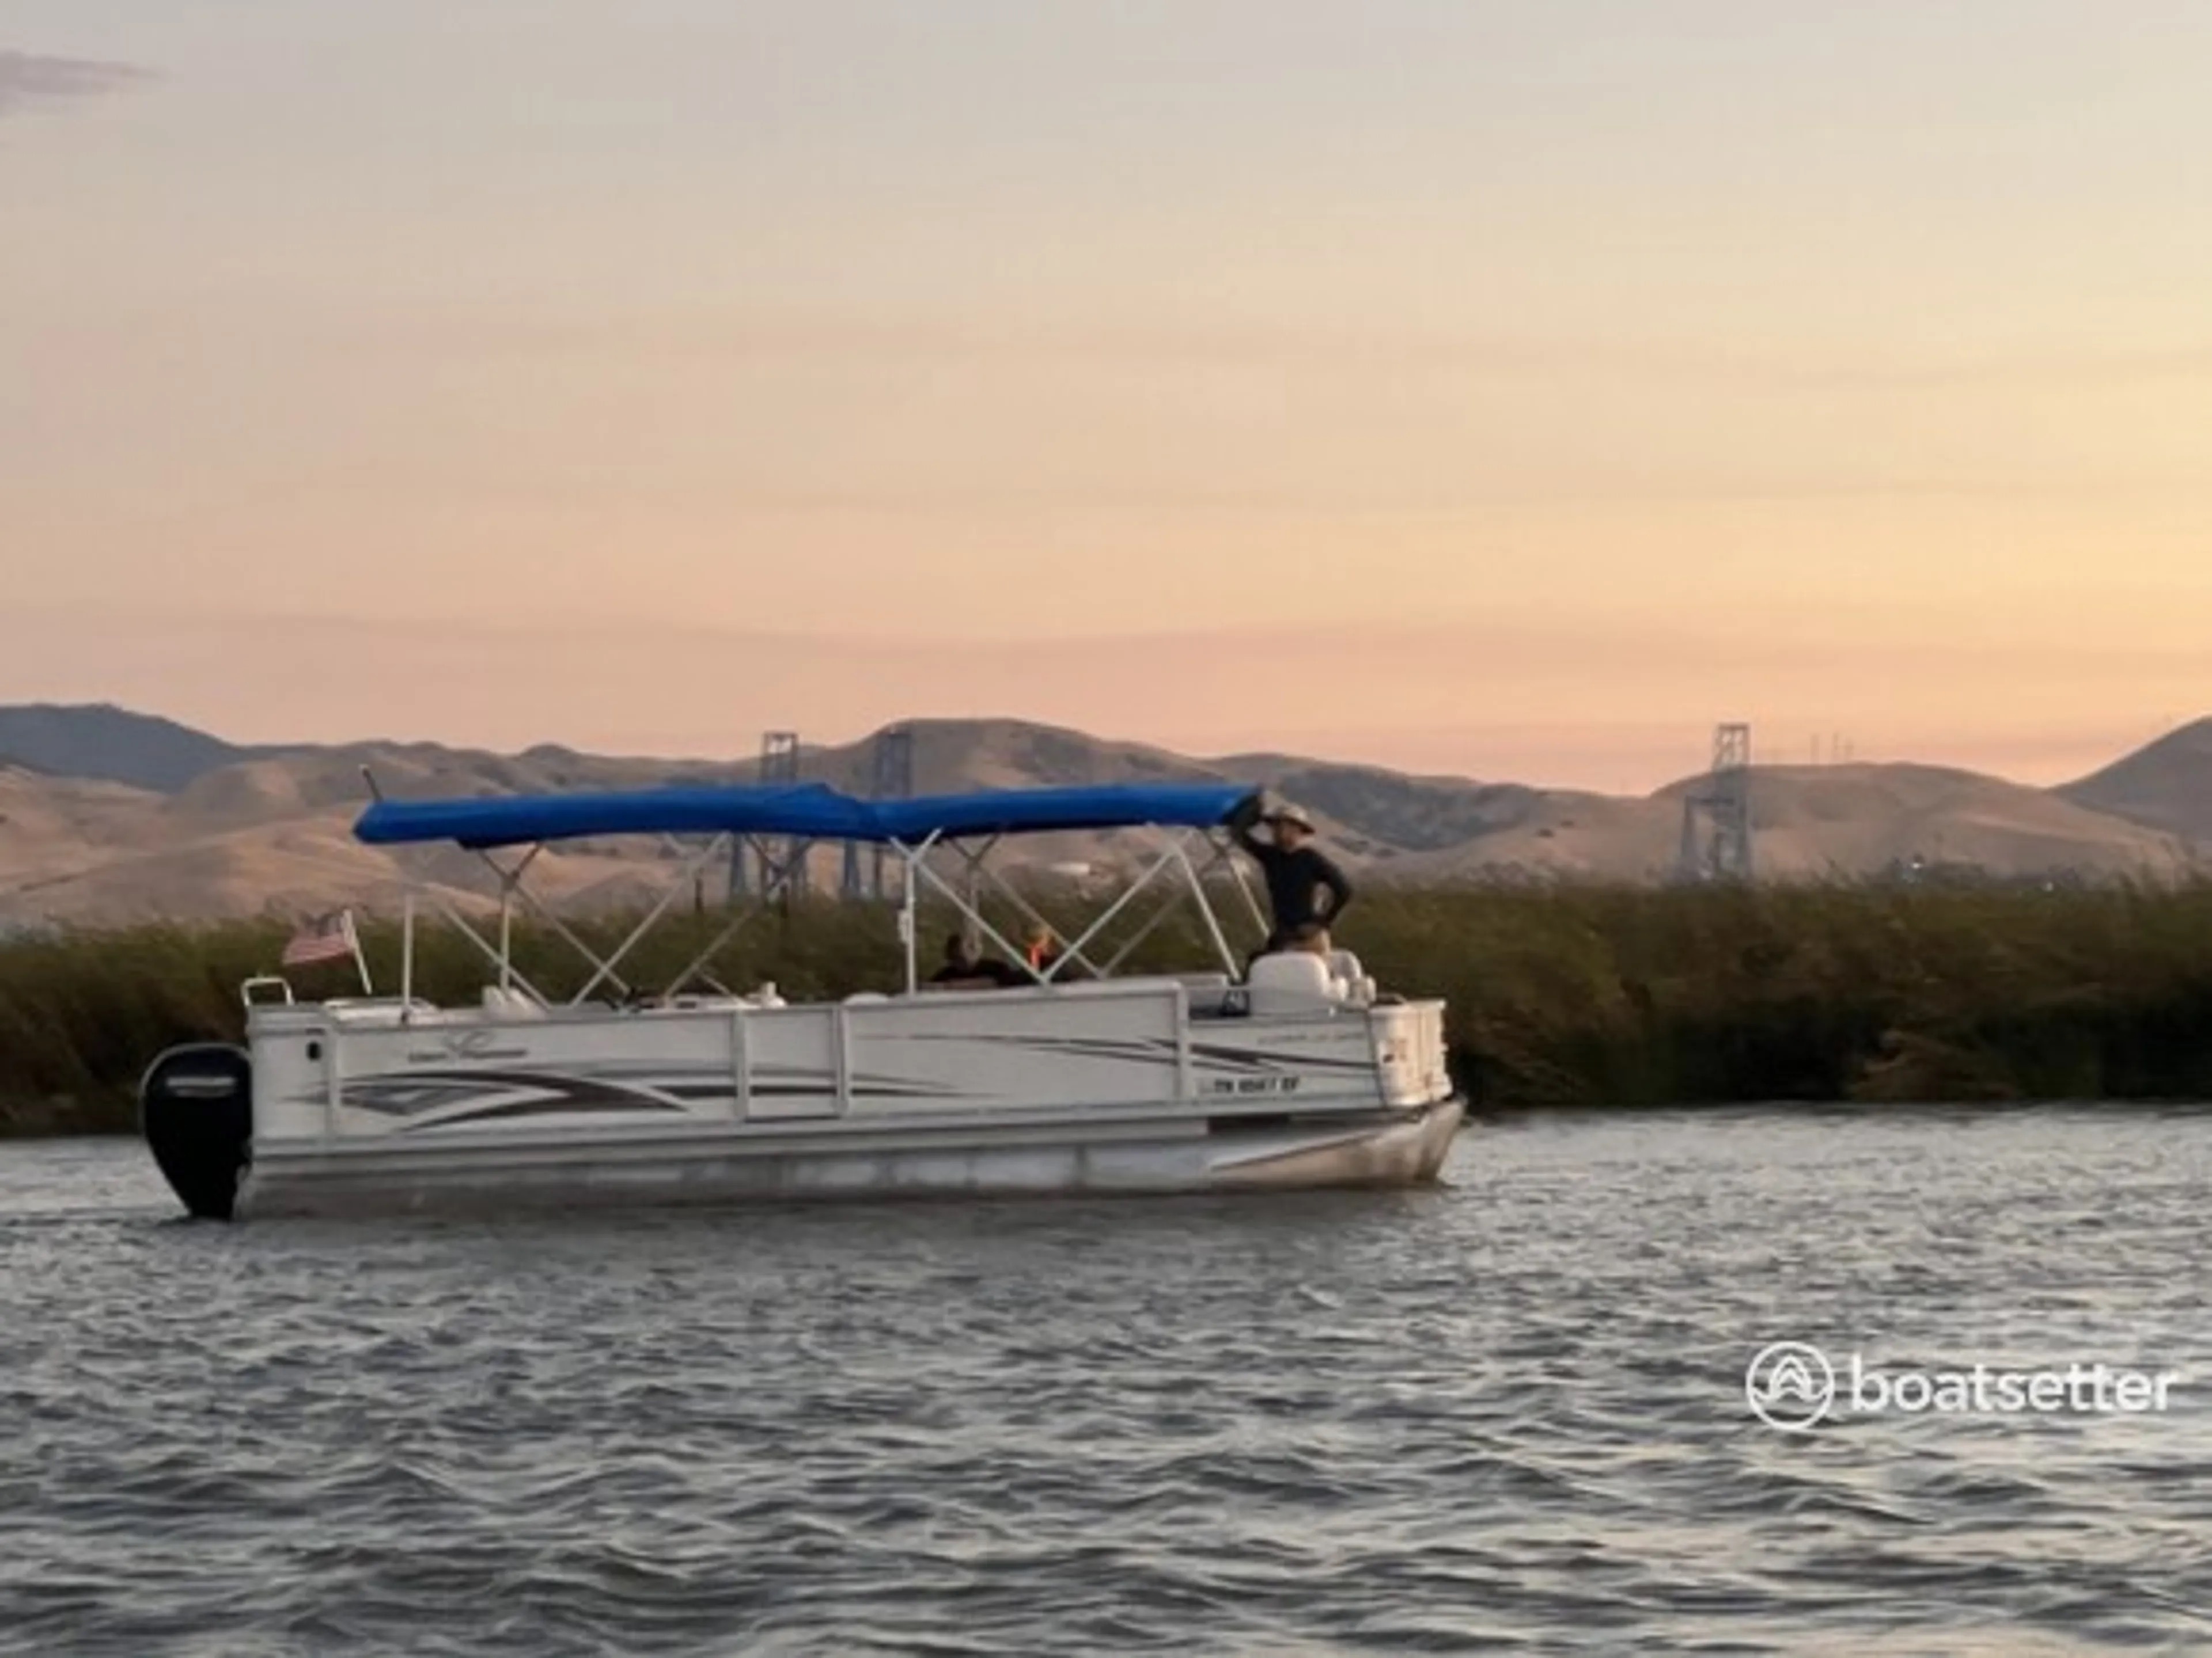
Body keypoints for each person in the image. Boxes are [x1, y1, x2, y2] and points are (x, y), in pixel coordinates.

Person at [1231, 796, 1353, 956]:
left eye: (1285, 826)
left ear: (1298, 831)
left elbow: (1344, 890)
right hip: (1284, 935)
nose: (1278, 831)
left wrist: (1323, 923)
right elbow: (1240, 837)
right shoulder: (1271, 856)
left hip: (1307, 937)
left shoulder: (1310, 859)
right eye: (1276, 826)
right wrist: (1252, 813)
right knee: (1257, 963)